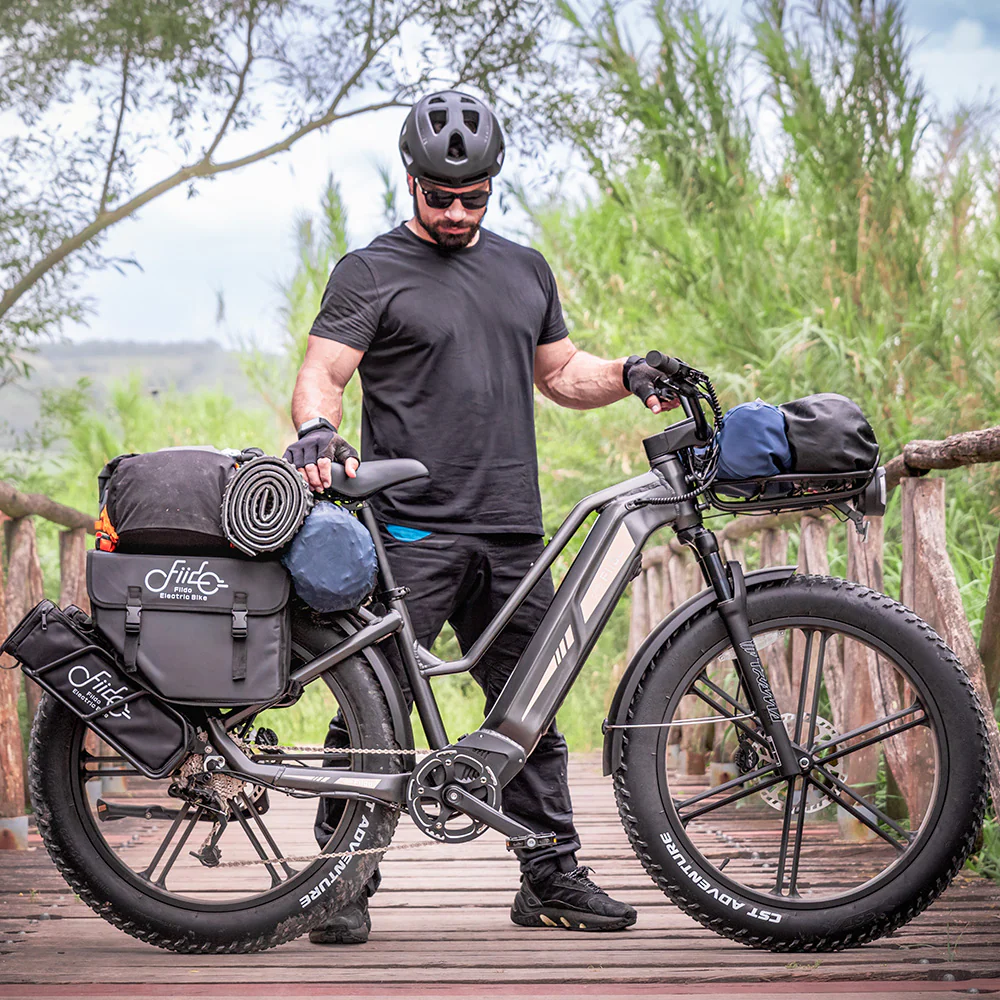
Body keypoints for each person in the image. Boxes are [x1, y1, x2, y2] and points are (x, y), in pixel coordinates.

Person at [284, 90, 678, 945]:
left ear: (492, 186)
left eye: (474, 197)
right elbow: (323, 374)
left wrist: (629, 373)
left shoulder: (524, 269)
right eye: (441, 196)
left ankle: (550, 877)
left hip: (512, 532)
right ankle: (340, 883)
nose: (458, 212)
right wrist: (317, 428)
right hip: (410, 533)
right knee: (373, 709)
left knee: (530, 705)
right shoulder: (370, 271)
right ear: (413, 183)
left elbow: (562, 374)